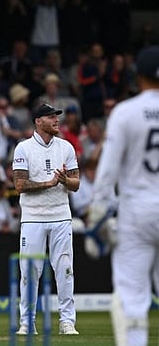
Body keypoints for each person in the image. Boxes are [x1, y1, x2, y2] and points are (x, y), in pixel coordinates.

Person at [88, 46, 159, 346]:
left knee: (132, 297)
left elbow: (107, 172)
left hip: (137, 211)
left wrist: (98, 211)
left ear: (137, 76)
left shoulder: (125, 112)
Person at [12, 103, 80, 335]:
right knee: (30, 271)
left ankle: (67, 321)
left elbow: (76, 183)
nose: (56, 120)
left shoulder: (66, 147)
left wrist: (63, 181)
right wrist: (48, 183)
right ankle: (27, 321)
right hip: (32, 218)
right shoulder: (24, 148)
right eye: (51, 117)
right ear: (38, 121)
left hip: (61, 216)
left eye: (56, 116)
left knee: (65, 269)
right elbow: (19, 185)